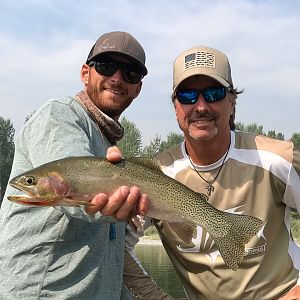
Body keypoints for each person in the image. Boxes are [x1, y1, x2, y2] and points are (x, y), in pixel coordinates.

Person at [109, 46, 300, 299]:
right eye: (188, 96)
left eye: (214, 93)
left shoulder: (278, 159)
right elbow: (118, 251)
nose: (200, 106)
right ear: (175, 106)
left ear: (232, 102)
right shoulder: (155, 174)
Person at [0, 31, 151, 299]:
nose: (117, 78)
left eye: (130, 73)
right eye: (106, 66)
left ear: (137, 88)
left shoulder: (109, 148)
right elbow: (82, 197)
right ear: (85, 73)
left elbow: (108, 262)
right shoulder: (59, 114)